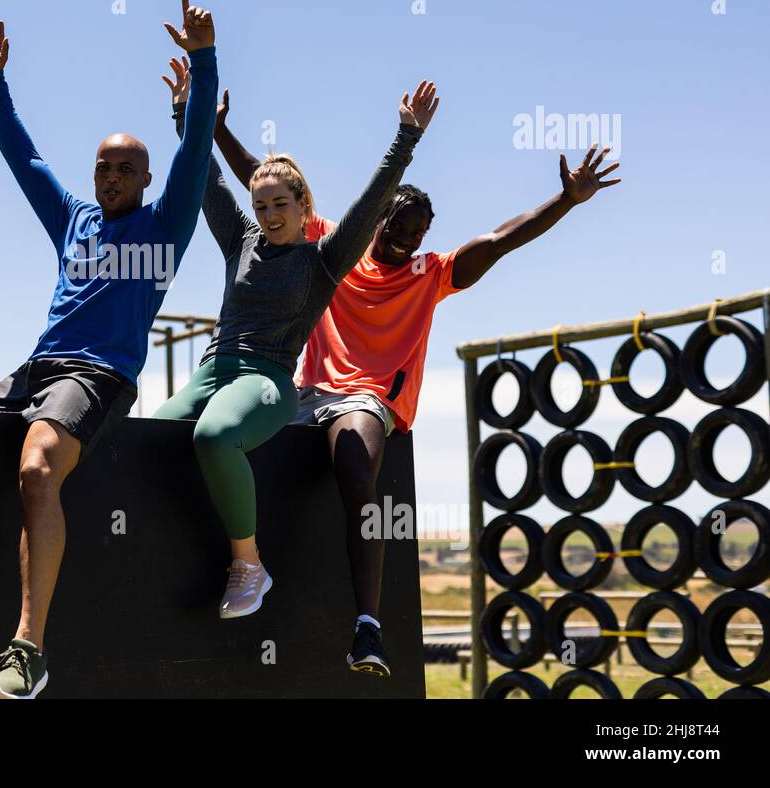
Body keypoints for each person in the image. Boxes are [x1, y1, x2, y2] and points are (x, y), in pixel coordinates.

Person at [207, 85, 622, 678]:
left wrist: (564, 200)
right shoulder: (331, 245)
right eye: (399, 228)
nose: (407, 241)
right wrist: (217, 129)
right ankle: (244, 574)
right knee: (231, 446)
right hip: (304, 394)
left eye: (418, 233)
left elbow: (502, 240)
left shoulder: (432, 273)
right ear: (379, 218)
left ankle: (367, 628)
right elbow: (266, 184)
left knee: (353, 466)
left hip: (367, 399)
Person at [0, 0, 217, 698]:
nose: (109, 178)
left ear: (144, 180)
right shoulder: (73, 221)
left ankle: (28, 651)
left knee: (40, 468)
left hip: (100, 375)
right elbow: (23, 156)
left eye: (124, 169)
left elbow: (195, 154)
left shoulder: (163, 229)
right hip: (38, 368)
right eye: (103, 167)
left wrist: (204, 59)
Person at [160, 59, 437, 632]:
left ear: (302, 206)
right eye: (261, 206)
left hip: (266, 380)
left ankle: (249, 565)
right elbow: (203, 177)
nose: (268, 215)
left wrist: (406, 138)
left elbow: (370, 205)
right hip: (214, 368)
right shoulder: (240, 239)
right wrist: (184, 114)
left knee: (214, 436)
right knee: (149, 436)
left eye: (279, 205)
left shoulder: (324, 260)